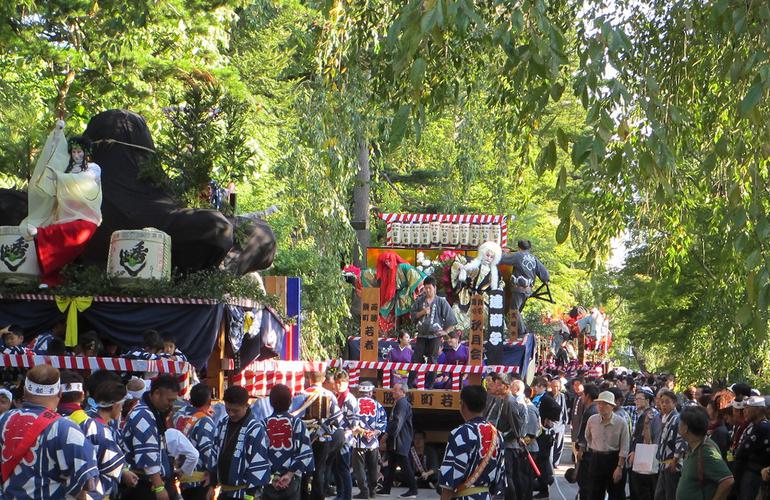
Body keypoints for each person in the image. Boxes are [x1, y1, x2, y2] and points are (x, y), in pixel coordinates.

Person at [0, 364, 99, 498]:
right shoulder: (65, 428)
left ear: (24, 391)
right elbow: (86, 481)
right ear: (59, 393)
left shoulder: (4, 419)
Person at [28, 134, 103, 287]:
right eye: (74, 152)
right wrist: (56, 134)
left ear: (86, 152)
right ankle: (50, 279)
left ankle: (40, 234)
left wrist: (60, 177)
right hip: (65, 214)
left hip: (87, 216)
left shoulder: (93, 168)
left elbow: (85, 181)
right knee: (60, 239)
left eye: (80, 152)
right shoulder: (67, 170)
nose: (77, 155)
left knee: (77, 231)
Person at [438, 385, 505, 500]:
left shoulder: (461, 433)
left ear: (462, 405)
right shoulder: (497, 434)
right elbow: (500, 475)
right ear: (485, 406)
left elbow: (449, 480)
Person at [122, 373, 182, 500]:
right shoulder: (143, 415)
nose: (170, 405)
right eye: (169, 400)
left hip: (153, 482)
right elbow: (147, 455)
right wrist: (159, 487)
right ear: (156, 393)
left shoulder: (151, 412)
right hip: (146, 485)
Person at [82, 378, 139, 498]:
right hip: (96, 492)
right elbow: (113, 467)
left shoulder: (86, 420)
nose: (122, 408)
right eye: (122, 404)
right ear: (116, 405)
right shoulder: (101, 431)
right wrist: (124, 472)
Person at [211, 385, 270, 499]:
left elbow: (258, 464)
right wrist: (211, 485)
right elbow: (214, 453)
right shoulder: (223, 423)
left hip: (244, 494)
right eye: (228, 409)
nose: (231, 413)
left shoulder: (255, 428)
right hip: (224, 491)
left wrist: (250, 496)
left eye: (235, 410)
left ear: (246, 406)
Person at [290, 370, 341, 500]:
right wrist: (328, 429)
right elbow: (338, 418)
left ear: (309, 379)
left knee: (303, 468)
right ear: (323, 379)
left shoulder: (301, 394)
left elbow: (294, 417)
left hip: (305, 438)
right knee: (319, 469)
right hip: (323, 438)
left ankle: (303, 496)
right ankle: (318, 496)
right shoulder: (329, 395)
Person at [263, 384, 314, 500]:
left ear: (270, 402)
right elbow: (306, 452)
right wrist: (289, 474)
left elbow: (258, 454)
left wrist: (272, 476)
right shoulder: (297, 424)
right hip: (292, 480)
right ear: (290, 402)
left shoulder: (263, 425)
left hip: (269, 480)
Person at [675, 406, 734, 500]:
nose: (678, 426)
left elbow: (728, 480)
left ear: (686, 428)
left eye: (680, 423)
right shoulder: (692, 447)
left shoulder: (707, 451)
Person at [485, 373, 528, 500]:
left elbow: (515, 427)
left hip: (509, 444)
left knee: (509, 476)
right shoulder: (502, 400)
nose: (496, 386)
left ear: (505, 386)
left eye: (498, 384)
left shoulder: (511, 401)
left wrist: (501, 436)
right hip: (503, 441)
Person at [172, 383, 217, 500]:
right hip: (199, 479)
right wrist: (213, 477)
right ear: (209, 401)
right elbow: (207, 451)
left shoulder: (179, 414)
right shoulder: (204, 421)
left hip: (180, 473)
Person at [410, 276, 457, 388]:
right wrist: (422, 312)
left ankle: (429, 386)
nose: (427, 290)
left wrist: (445, 331)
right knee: (416, 358)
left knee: (432, 360)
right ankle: (411, 383)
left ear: (435, 288)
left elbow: (452, 319)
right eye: (425, 288)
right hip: (421, 335)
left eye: (429, 288)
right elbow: (412, 316)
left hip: (435, 335)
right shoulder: (419, 300)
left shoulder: (441, 302)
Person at [583, 390, 630, 500]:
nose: (601, 406)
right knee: (594, 493)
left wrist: (619, 467)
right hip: (596, 458)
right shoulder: (592, 420)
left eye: (605, 404)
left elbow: (624, 446)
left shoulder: (621, 423)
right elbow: (588, 437)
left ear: (612, 406)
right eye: (599, 403)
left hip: (613, 458)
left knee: (616, 493)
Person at [500, 239, 550, 335]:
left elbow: (503, 259)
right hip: (528, 290)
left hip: (519, 288)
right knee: (516, 310)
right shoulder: (533, 258)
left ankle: (522, 332)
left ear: (519, 247)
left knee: (514, 310)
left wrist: (502, 252)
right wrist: (546, 279)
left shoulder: (518, 255)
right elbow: (544, 273)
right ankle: (515, 332)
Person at [379, 382, 418, 498]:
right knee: (391, 465)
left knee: (404, 465)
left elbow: (397, 423)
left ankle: (413, 490)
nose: (392, 391)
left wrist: (386, 435)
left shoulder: (402, 404)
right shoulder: (399, 403)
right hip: (396, 439)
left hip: (400, 439)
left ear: (402, 392)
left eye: (395, 390)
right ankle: (386, 489)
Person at [353, 381, 387, 499]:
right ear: (371, 392)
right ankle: (372, 491)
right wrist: (373, 433)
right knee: (373, 466)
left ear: (359, 391)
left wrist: (362, 432)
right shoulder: (378, 405)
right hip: (373, 442)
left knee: (359, 468)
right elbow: (383, 423)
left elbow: (350, 422)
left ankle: (364, 491)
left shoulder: (354, 403)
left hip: (358, 441)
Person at [733, 395, 770, 500]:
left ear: (758, 410)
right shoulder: (755, 426)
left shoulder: (761, 427)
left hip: (754, 476)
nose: (744, 411)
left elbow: (741, 453)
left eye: (748, 408)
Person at [628, 387, 662, 500]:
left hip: (644, 456)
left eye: (639, 399)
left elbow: (647, 439)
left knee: (642, 490)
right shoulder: (643, 414)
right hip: (640, 455)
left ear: (648, 400)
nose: (636, 401)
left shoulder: (652, 415)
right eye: (635, 399)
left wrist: (634, 451)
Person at [654, 389, 686, 500]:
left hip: (672, 463)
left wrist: (675, 459)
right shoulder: (665, 418)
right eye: (662, 402)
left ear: (674, 403)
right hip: (663, 463)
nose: (664, 405)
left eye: (667, 402)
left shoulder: (677, 419)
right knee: (660, 495)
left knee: (670, 495)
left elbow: (681, 440)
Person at [332, 370, 358, 500]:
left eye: (341, 383)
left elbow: (353, 423)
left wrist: (345, 434)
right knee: (337, 468)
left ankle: (347, 496)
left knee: (343, 468)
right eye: (336, 383)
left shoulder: (349, 399)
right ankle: (340, 494)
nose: (338, 385)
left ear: (347, 383)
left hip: (346, 438)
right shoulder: (337, 397)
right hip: (337, 437)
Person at [575, 383, 600, 500]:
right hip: (592, 452)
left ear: (588, 395)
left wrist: (581, 449)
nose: (581, 397)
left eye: (583, 394)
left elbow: (587, 434)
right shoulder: (594, 409)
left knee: (585, 482)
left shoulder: (592, 411)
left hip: (589, 452)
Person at [549, 378, 569, 468]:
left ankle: (556, 462)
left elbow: (564, 408)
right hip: (551, 423)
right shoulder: (548, 396)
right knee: (551, 444)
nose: (555, 388)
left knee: (559, 443)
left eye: (557, 386)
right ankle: (550, 462)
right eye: (553, 386)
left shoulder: (562, 396)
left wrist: (566, 420)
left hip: (560, 423)